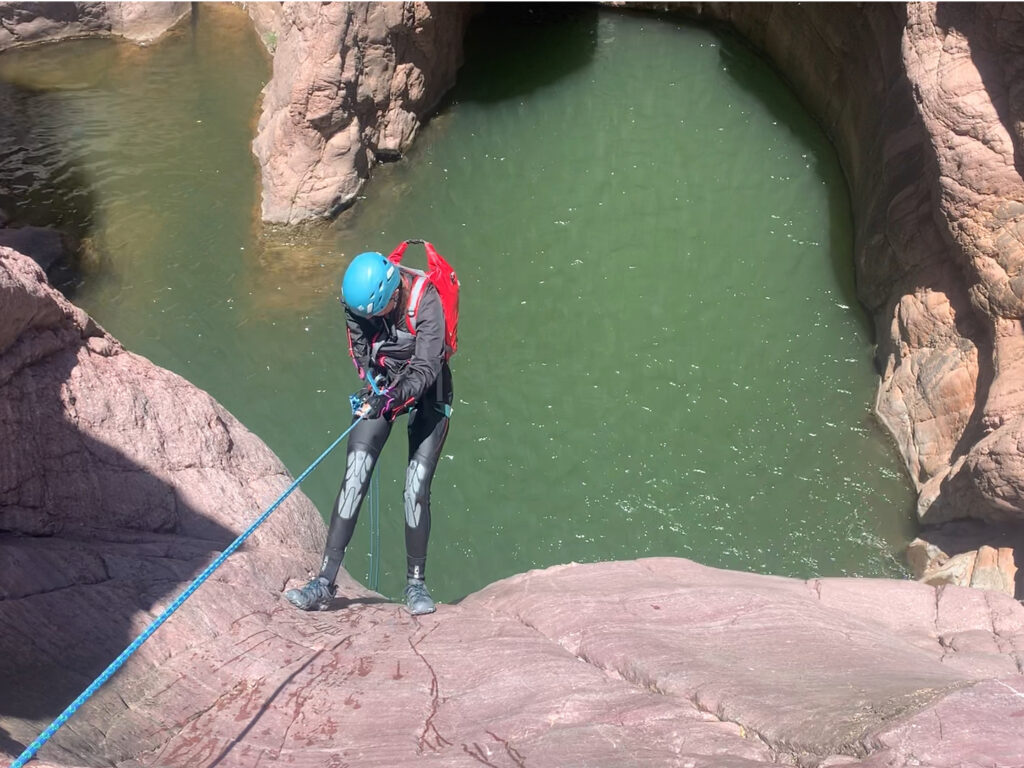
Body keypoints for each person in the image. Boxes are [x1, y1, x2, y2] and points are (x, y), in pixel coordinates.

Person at [285, 249, 453, 615]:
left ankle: (416, 584)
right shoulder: (357, 303)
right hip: (384, 386)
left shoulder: (426, 302)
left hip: (429, 391)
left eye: (373, 314)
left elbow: (425, 369)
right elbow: (362, 350)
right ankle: (324, 583)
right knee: (355, 474)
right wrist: (376, 388)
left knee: (415, 487)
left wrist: (390, 400)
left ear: (392, 297)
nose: (365, 320)